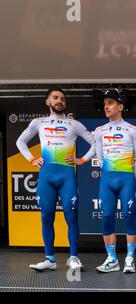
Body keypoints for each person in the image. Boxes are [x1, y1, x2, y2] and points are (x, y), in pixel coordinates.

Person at [16, 87, 96, 271]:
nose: (59, 101)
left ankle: (73, 258)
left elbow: (95, 143)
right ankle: (50, 259)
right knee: (46, 216)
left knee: (71, 216)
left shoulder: (73, 124)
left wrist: (82, 160)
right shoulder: (38, 122)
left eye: (62, 98)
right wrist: (32, 159)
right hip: (46, 177)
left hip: (66, 175)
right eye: (55, 98)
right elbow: (20, 141)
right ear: (48, 102)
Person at [94, 88, 136, 273]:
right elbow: (99, 158)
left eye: (111, 103)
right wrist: (109, 171)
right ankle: (112, 259)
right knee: (107, 217)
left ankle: (130, 259)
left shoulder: (133, 130)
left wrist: (130, 177)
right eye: (105, 103)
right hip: (107, 178)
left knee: (130, 216)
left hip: (126, 178)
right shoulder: (99, 131)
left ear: (120, 106)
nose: (106, 106)